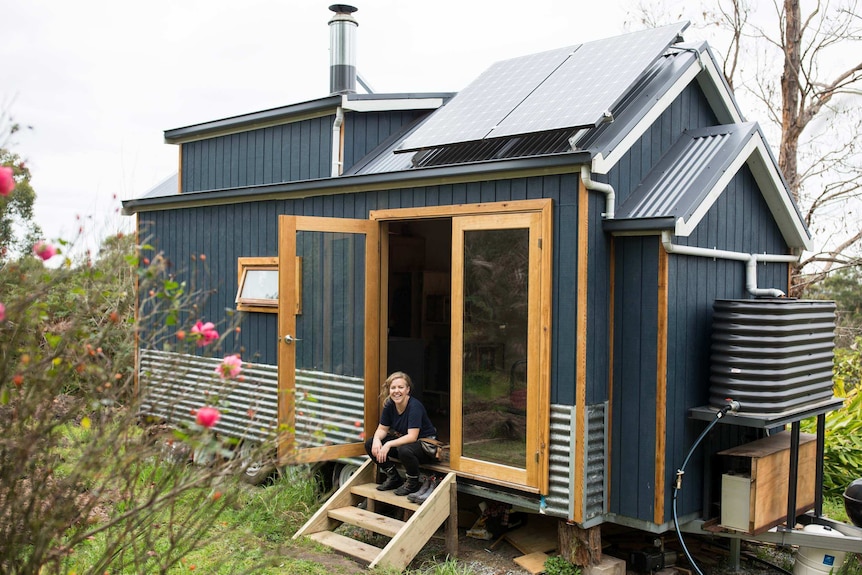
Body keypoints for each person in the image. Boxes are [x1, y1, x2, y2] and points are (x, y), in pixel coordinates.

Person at [364, 371, 438, 496]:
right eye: (393, 387)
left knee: (403, 450)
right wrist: (377, 440)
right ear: (389, 390)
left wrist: (388, 445)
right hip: (406, 444)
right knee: (370, 443)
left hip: (426, 447)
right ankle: (393, 477)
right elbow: (382, 429)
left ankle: (412, 482)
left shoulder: (415, 407)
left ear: (408, 390)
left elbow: (412, 436)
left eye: (400, 387)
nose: (396, 391)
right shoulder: (389, 405)